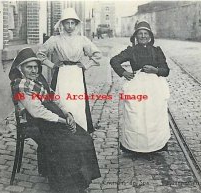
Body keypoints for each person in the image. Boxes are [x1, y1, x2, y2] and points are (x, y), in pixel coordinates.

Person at [9, 48, 101, 193]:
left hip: (51, 118)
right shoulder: (22, 86)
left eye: (36, 67)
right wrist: (62, 121)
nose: (33, 71)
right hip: (36, 123)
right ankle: (66, 186)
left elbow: (54, 99)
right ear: (20, 69)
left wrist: (67, 113)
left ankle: (78, 181)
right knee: (69, 144)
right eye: (29, 67)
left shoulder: (38, 81)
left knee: (84, 137)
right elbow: (37, 112)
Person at [37, 8, 102, 133]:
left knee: (77, 102)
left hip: (76, 73)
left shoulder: (82, 40)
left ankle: (80, 130)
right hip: (62, 73)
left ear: (76, 24)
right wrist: (52, 65)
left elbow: (97, 54)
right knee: (61, 101)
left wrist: (86, 65)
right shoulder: (55, 40)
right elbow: (40, 55)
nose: (70, 26)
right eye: (67, 23)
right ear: (62, 24)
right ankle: (62, 130)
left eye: (73, 23)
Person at [110, 21, 171, 153]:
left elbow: (166, 70)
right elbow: (114, 60)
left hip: (154, 88)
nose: (143, 36)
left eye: (145, 33)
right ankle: (135, 147)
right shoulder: (131, 51)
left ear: (150, 36)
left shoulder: (156, 51)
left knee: (153, 116)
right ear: (135, 37)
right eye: (140, 34)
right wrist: (123, 73)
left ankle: (155, 146)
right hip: (137, 87)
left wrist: (155, 70)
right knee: (136, 116)